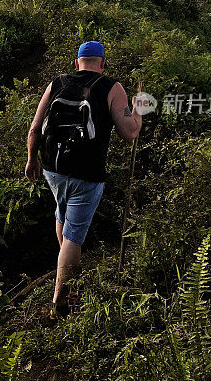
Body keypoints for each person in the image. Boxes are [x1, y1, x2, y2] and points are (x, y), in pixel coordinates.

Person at [24, 40, 142, 321]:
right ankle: (59, 303)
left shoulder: (57, 83)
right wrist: (138, 109)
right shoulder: (112, 87)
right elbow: (129, 133)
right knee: (74, 237)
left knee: (62, 216)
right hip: (87, 174)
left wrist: (31, 159)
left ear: (77, 63)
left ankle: (66, 271)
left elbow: (35, 128)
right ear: (103, 64)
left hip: (53, 168)